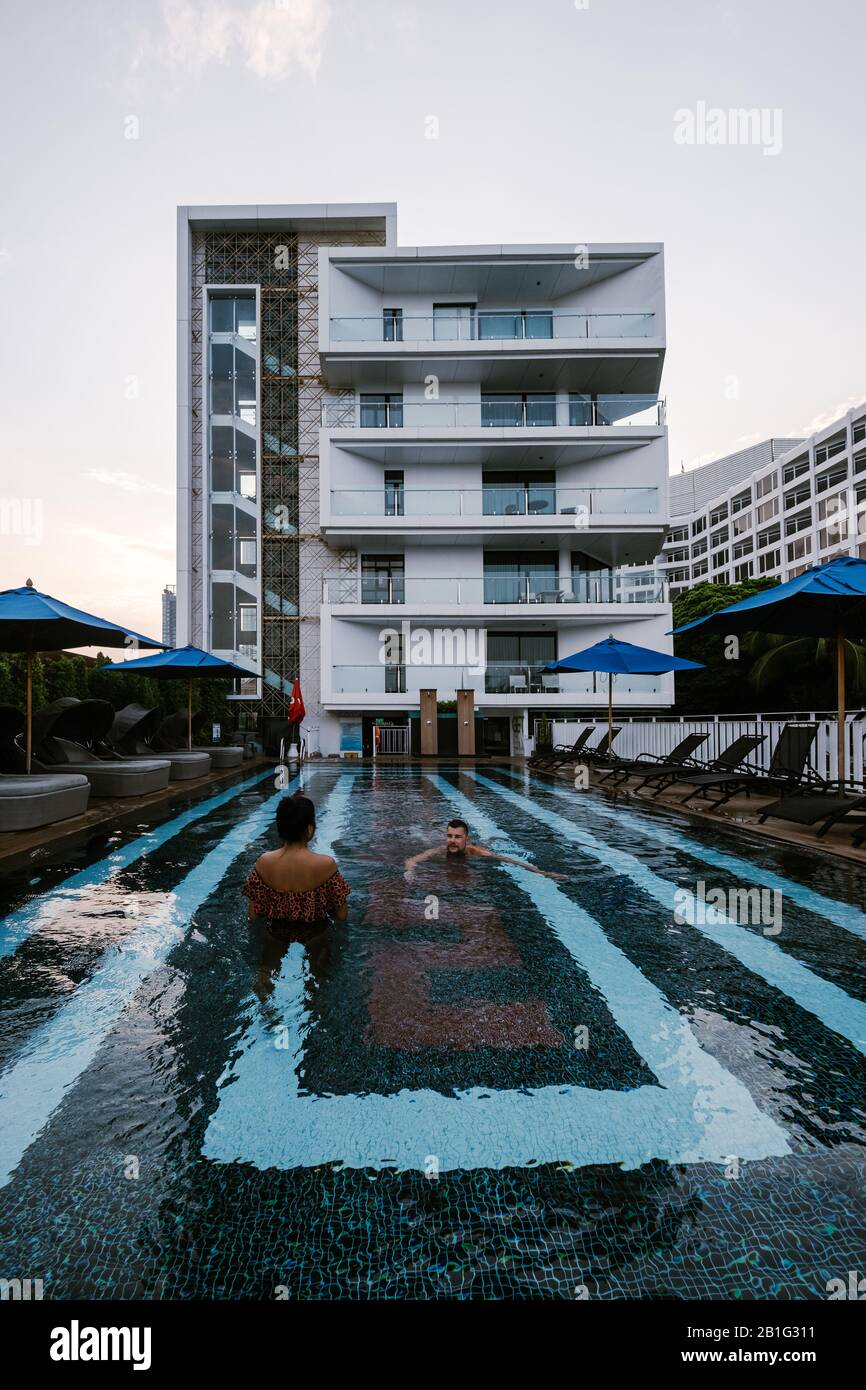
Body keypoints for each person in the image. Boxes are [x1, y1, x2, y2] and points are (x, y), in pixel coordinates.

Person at [244, 793, 350, 1000]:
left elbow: (254, 914)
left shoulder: (263, 863)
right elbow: (341, 914)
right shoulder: (325, 865)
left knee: (265, 972)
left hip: (275, 931)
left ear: (280, 828)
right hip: (316, 932)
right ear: (309, 829)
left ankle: (266, 1008)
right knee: (318, 980)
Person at [403, 817, 566, 882]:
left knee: (488, 842)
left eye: (457, 837)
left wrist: (544, 873)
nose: (452, 841)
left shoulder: (478, 852)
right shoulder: (439, 850)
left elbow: (509, 860)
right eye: (449, 836)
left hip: (481, 847)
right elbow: (411, 860)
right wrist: (410, 871)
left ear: (466, 839)